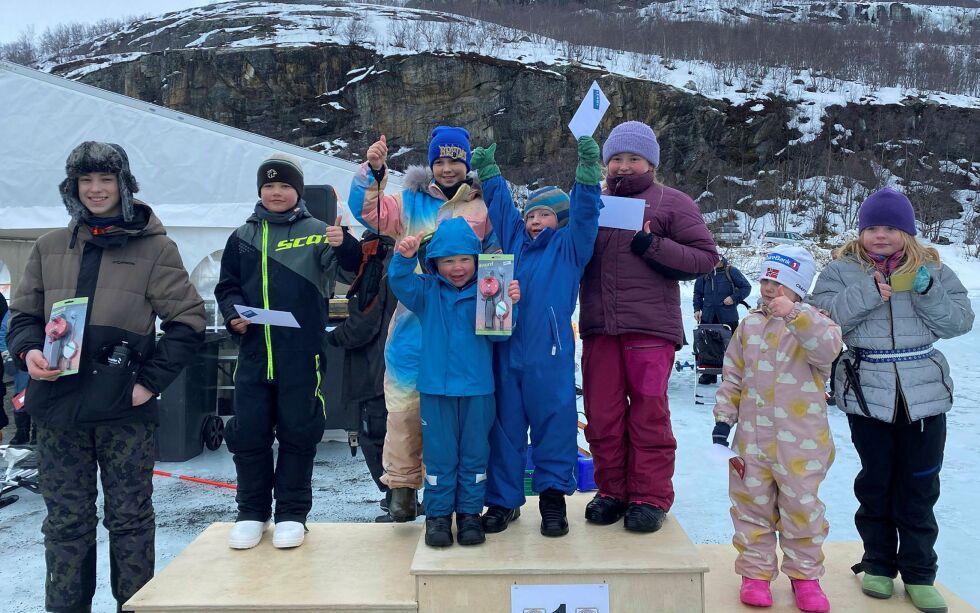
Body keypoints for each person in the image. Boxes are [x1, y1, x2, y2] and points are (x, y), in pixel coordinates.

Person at [6, 141, 206, 613]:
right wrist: (28, 351)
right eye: (86, 181)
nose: (96, 190)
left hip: (124, 413)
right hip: (57, 410)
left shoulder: (156, 248)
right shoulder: (49, 246)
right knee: (65, 523)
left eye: (106, 180)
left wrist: (148, 382)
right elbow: (21, 316)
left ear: (124, 185)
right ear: (73, 187)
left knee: (130, 521)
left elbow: (188, 322)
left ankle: (134, 606)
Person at [809, 188, 974, 613]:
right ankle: (879, 563)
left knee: (920, 485)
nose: (881, 236)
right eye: (872, 227)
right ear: (861, 231)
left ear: (909, 232)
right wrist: (869, 290)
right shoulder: (840, 271)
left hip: (925, 395)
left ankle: (920, 574)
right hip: (867, 391)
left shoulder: (933, 269)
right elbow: (821, 322)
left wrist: (925, 290)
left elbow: (960, 322)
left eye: (892, 228)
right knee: (876, 481)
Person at [347, 126, 501, 521]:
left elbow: (498, 260)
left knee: (457, 416)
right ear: (431, 164)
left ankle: (450, 496)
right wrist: (374, 172)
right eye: (440, 161)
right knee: (402, 407)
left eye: (455, 160)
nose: (447, 168)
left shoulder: (483, 208)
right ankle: (400, 489)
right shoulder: (410, 201)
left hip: (466, 325)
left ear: (466, 163)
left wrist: (499, 305)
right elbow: (371, 214)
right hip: (415, 321)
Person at [579, 120, 718, 532]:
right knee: (601, 414)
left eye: (633, 158)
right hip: (600, 326)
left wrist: (650, 244)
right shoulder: (592, 201)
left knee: (647, 413)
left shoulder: (672, 202)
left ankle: (649, 496)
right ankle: (611, 491)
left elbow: (705, 258)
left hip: (650, 329)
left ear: (651, 163)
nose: (623, 166)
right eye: (616, 159)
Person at [215, 153, 359, 550]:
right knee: (249, 435)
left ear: (297, 191)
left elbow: (350, 274)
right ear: (260, 191)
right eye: (269, 186)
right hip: (254, 355)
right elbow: (226, 288)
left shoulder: (318, 230)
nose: (276, 192)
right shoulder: (241, 236)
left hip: (302, 355)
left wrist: (345, 243)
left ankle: (292, 514)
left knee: (299, 433)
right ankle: (251, 513)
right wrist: (232, 316)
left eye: (284, 186)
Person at [470, 137, 602, 537]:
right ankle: (503, 502)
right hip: (508, 352)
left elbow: (584, 214)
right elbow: (503, 210)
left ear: (558, 221)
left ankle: (552, 502)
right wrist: (490, 174)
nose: (533, 222)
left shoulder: (569, 248)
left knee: (554, 427)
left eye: (543, 215)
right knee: (506, 430)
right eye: (531, 215)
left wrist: (586, 173)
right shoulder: (514, 243)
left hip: (550, 355)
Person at [712, 245, 841, 612]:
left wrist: (796, 315)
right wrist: (724, 420)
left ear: (798, 287)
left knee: (802, 509)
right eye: (766, 279)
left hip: (801, 442)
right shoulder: (750, 324)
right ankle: (754, 573)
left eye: (780, 282)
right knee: (751, 507)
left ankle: (805, 578)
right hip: (752, 441)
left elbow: (828, 351)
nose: (770, 288)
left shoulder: (816, 322)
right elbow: (733, 374)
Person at [388, 217, 520, 547]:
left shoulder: (490, 290)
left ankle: (470, 515)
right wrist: (404, 258)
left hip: (478, 391)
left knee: (475, 455)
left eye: (464, 259)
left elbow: (501, 337)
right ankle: (438, 518)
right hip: (436, 391)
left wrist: (510, 305)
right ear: (435, 263)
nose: (457, 267)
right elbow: (400, 283)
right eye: (448, 260)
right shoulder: (427, 292)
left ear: (476, 261)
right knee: (440, 457)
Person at [323, 231, 398, 522]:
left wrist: (332, 335)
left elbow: (363, 324)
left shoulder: (377, 267)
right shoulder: (391, 263)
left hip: (374, 368)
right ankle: (400, 495)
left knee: (377, 434)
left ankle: (395, 495)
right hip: (389, 366)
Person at [693, 257, 752, 384]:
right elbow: (697, 293)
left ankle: (729, 374)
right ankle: (708, 374)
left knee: (730, 347)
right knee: (708, 346)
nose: (713, 262)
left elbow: (746, 287)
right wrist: (697, 309)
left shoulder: (731, 271)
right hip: (708, 316)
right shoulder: (704, 273)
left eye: (716, 259)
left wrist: (733, 297)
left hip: (728, 317)